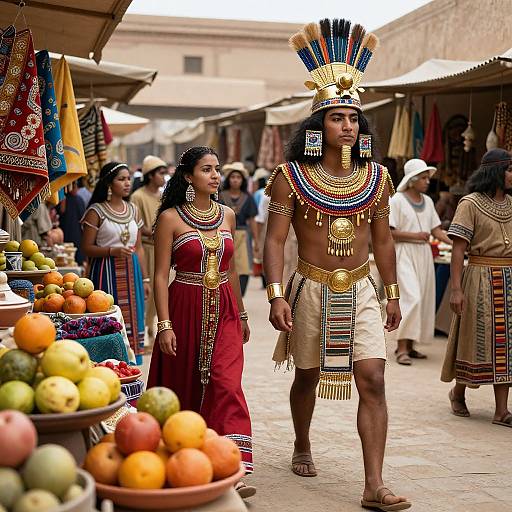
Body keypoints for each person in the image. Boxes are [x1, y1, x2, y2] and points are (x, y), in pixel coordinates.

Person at [264, 19, 410, 511]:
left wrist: (392, 294)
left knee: (373, 376)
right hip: (311, 286)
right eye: (335, 117)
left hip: (363, 288)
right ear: (317, 125)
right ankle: (302, 443)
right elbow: (275, 239)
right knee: (306, 376)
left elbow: (384, 240)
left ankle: (373, 485)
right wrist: (276, 294)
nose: (346, 124)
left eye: (353, 117)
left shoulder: (378, 177)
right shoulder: (290, 177)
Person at [147, 147, 255, 496]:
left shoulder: (227, 215)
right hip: (184, 305)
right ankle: (189, 463)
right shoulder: (171, 219)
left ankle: (230, 466)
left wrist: (241, 314)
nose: (215, 176)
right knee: (186, 385)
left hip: (223, 307)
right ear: (188, 176)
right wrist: (164, 324)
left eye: (217, 169)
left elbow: (233, 269)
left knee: (226, 381)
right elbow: (161, 274)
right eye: (206, 169)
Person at [442, 148, 512, 427]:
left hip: (508, 279)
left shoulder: (511, 204)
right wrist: (456, 289)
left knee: (508, 345)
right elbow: (459, 249)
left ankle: (501, 411)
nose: (511, 174)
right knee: (475, 341)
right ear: (495, 171)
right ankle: (458, 393)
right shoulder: (469, 204)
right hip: (480, 278)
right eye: (509, 169)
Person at [81, 162, 150, 365]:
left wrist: (145, 278)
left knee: (133, 317)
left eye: (128, 178)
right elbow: (86, 247)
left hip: (132, 271)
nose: (127, 183)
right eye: (121, 179)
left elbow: (139, 248)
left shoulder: (134, 210)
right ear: (109, 184)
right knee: (107, 314)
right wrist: (112, 251)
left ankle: (131, 362)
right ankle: (106, 360)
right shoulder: (97, 211)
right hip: (104, 271)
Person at [389, 159, 452, 365]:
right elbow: (390, 232)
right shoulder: (397, 200)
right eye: (423, 178)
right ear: (412, 179)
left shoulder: (427, 201)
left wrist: (457, 244)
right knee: (411, 298)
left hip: (424, 255)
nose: (427, 181)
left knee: (423, 298)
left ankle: (412, 345)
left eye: (427, 178)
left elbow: (435, 230)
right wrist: (415, 236)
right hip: (404, 254)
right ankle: (401, 347)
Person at [130, 155, 168, 343]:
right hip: (146, 248)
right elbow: (135, 225)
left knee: (163, 290)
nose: (163, 177)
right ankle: (145, 331)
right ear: (150, 175)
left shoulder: (164, 196)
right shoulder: (137, 197)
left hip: (164, 248)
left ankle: (155, 328)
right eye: (161, 173)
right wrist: (157, 232)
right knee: (149, 290)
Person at [219, 162, 259, 297]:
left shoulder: (248, 198)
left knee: (243, 266)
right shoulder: (220, 196)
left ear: (242, 180)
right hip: (222, 234)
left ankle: (239, 296)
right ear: (228, 179)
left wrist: (256, 241)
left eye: (238, 177)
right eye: (232, 177)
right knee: (223, 266)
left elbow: (252, 220)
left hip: (242, 234)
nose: (235, 180)